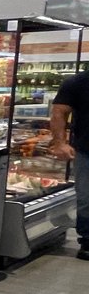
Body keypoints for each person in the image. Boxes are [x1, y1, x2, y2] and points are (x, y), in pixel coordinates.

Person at [49, 69, 89, 260]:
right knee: (86, 199)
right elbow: (59, 112)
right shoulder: (78, 82)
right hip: (87, 150)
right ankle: (88, 242)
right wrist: (60, 143)